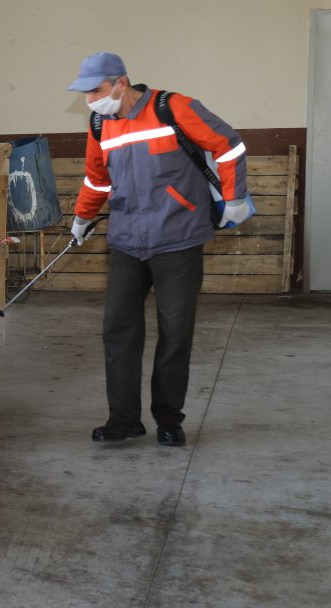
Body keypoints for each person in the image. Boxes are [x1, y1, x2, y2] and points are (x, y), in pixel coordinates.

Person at [66, 52, 250, 447]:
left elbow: (229, 145)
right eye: (86, 94)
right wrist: (82, 216)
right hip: (127, 242)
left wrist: (235, 197)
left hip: (178, 239)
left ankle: (168, 418)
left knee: (175, 332)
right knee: (118, 329)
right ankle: (123, 420)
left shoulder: (173, 108)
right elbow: (97, 178)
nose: (91, 100)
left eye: (96, 91)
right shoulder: (100, 125)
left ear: (121, 82)